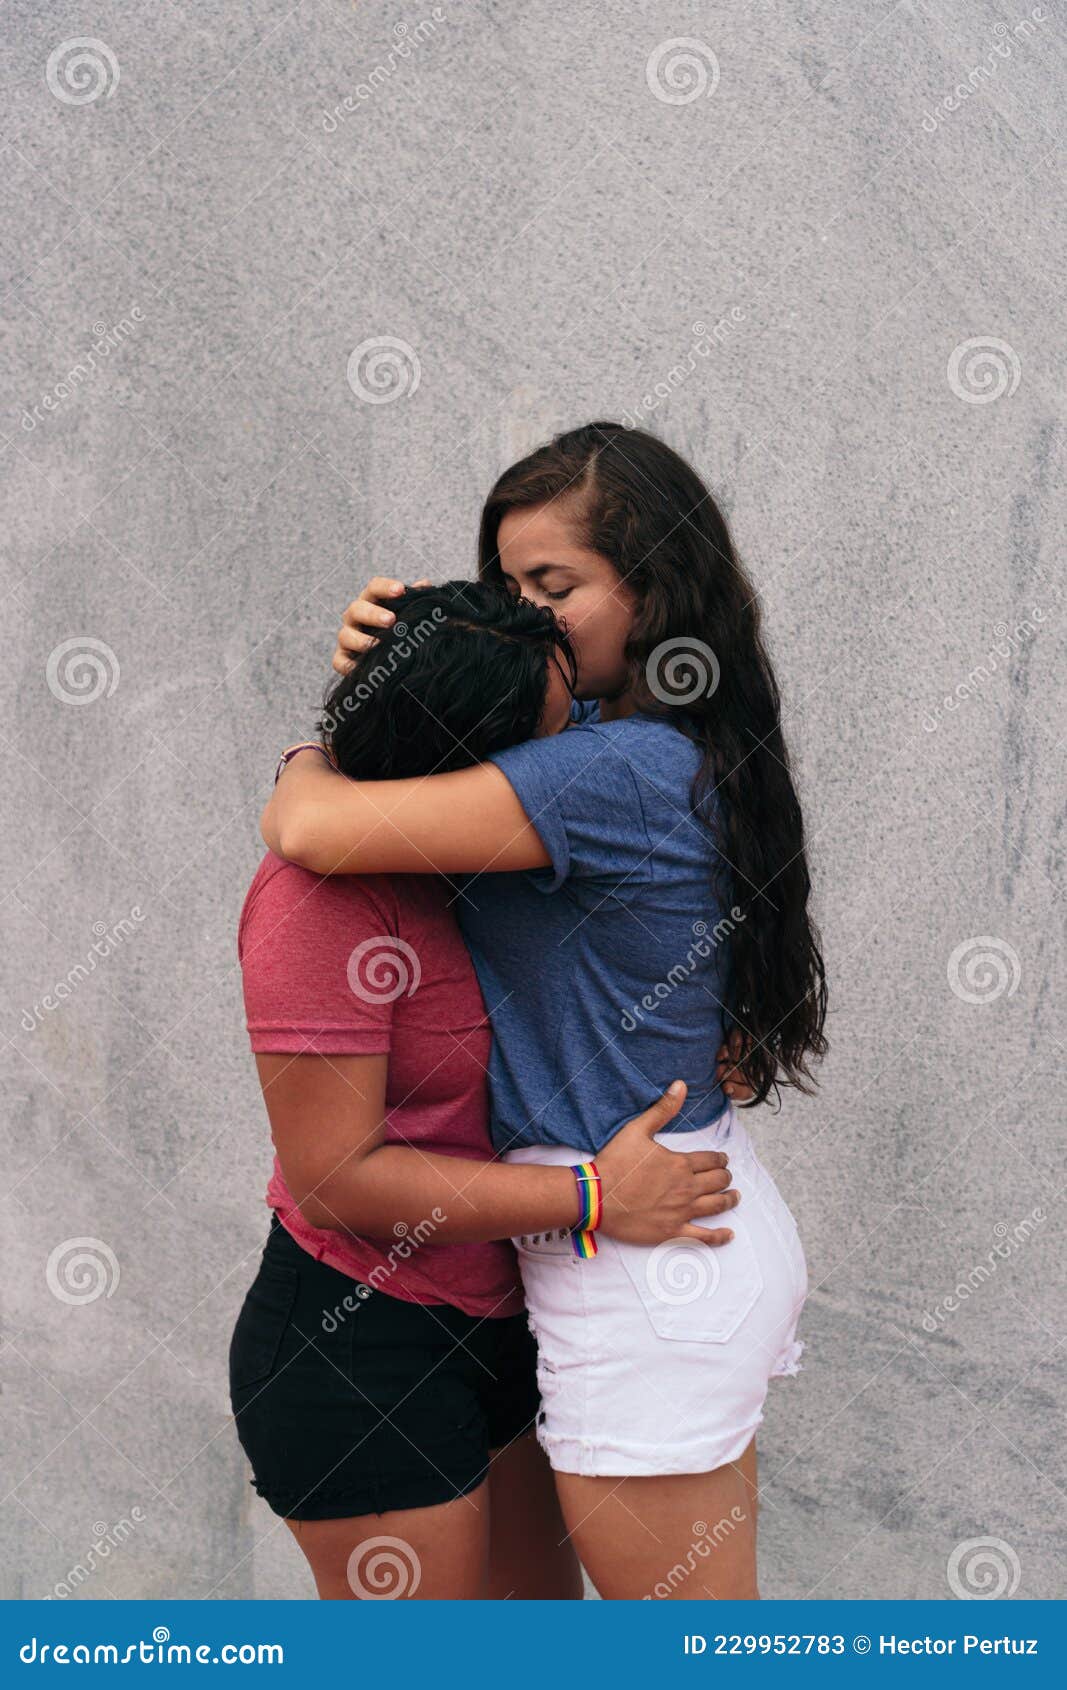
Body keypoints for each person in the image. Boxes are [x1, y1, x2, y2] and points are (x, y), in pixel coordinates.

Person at [263, 422, 827, 1599]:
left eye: (552, 586)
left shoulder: (601, 771)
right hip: (672, 1231)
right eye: (502, 585)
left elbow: (316, 828)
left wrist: (315, 740)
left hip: (641, 1261)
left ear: (653, 590)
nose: (524, 611)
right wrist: (410, 662)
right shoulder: (652, 746)